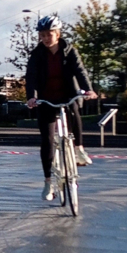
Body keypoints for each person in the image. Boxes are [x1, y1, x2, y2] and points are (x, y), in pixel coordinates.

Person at [25, 15, 97, 201]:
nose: (46, 38)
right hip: (46, 99)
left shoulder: (69, 51)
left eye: (49, 34)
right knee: (47, 140)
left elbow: (80, 71)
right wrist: (32, 97)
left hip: (67, 95)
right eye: (42, 35)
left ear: (58, 34)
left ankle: (79, 149)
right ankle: (48, 182)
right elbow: (31, 76)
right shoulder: (37, 54)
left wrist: (88, 90)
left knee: (74, 110)